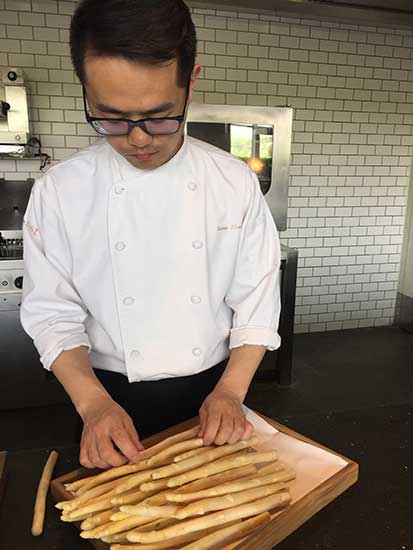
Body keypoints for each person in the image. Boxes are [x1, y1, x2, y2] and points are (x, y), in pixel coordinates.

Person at [21, 0, 281, 470]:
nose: (138, 139)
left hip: (217, 389)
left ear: (191, 80)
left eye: (160, 116)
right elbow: (52, 313)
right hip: (101, 394)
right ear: (85, 86)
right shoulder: (60, 189)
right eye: (112, 118)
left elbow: (257, 302)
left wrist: (230, 392)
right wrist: (92, 405)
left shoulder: (233, 181)